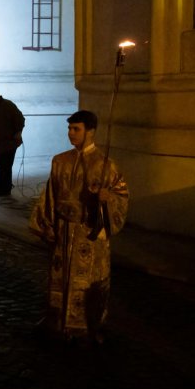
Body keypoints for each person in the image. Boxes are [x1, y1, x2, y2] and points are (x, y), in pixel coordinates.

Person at [29, 110, 129, 343]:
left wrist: (108, 198)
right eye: (69, 129)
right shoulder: (60, 161)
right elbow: (51, 195)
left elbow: (121, 195)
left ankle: (87, 325)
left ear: (90, 131)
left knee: (86, 282)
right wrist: (49, 224)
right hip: (63, 232)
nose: (71, 134)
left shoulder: (105, 165)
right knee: (59, 279)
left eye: (76, 129)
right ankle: (56, 320)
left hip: (88, 234)